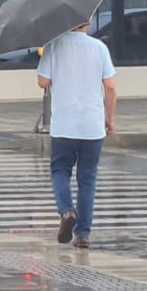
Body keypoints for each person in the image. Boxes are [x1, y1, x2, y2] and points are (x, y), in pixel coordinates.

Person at [36, 22, 117, 250]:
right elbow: (111, 87)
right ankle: (82, 235)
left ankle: (66, 210)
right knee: (87, 179)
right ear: (88, 23)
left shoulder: (54, 47)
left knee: (60, 170)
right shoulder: (99, 48)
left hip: (64, 125)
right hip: (92, 126)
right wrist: (109, 119)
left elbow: (42, 82)